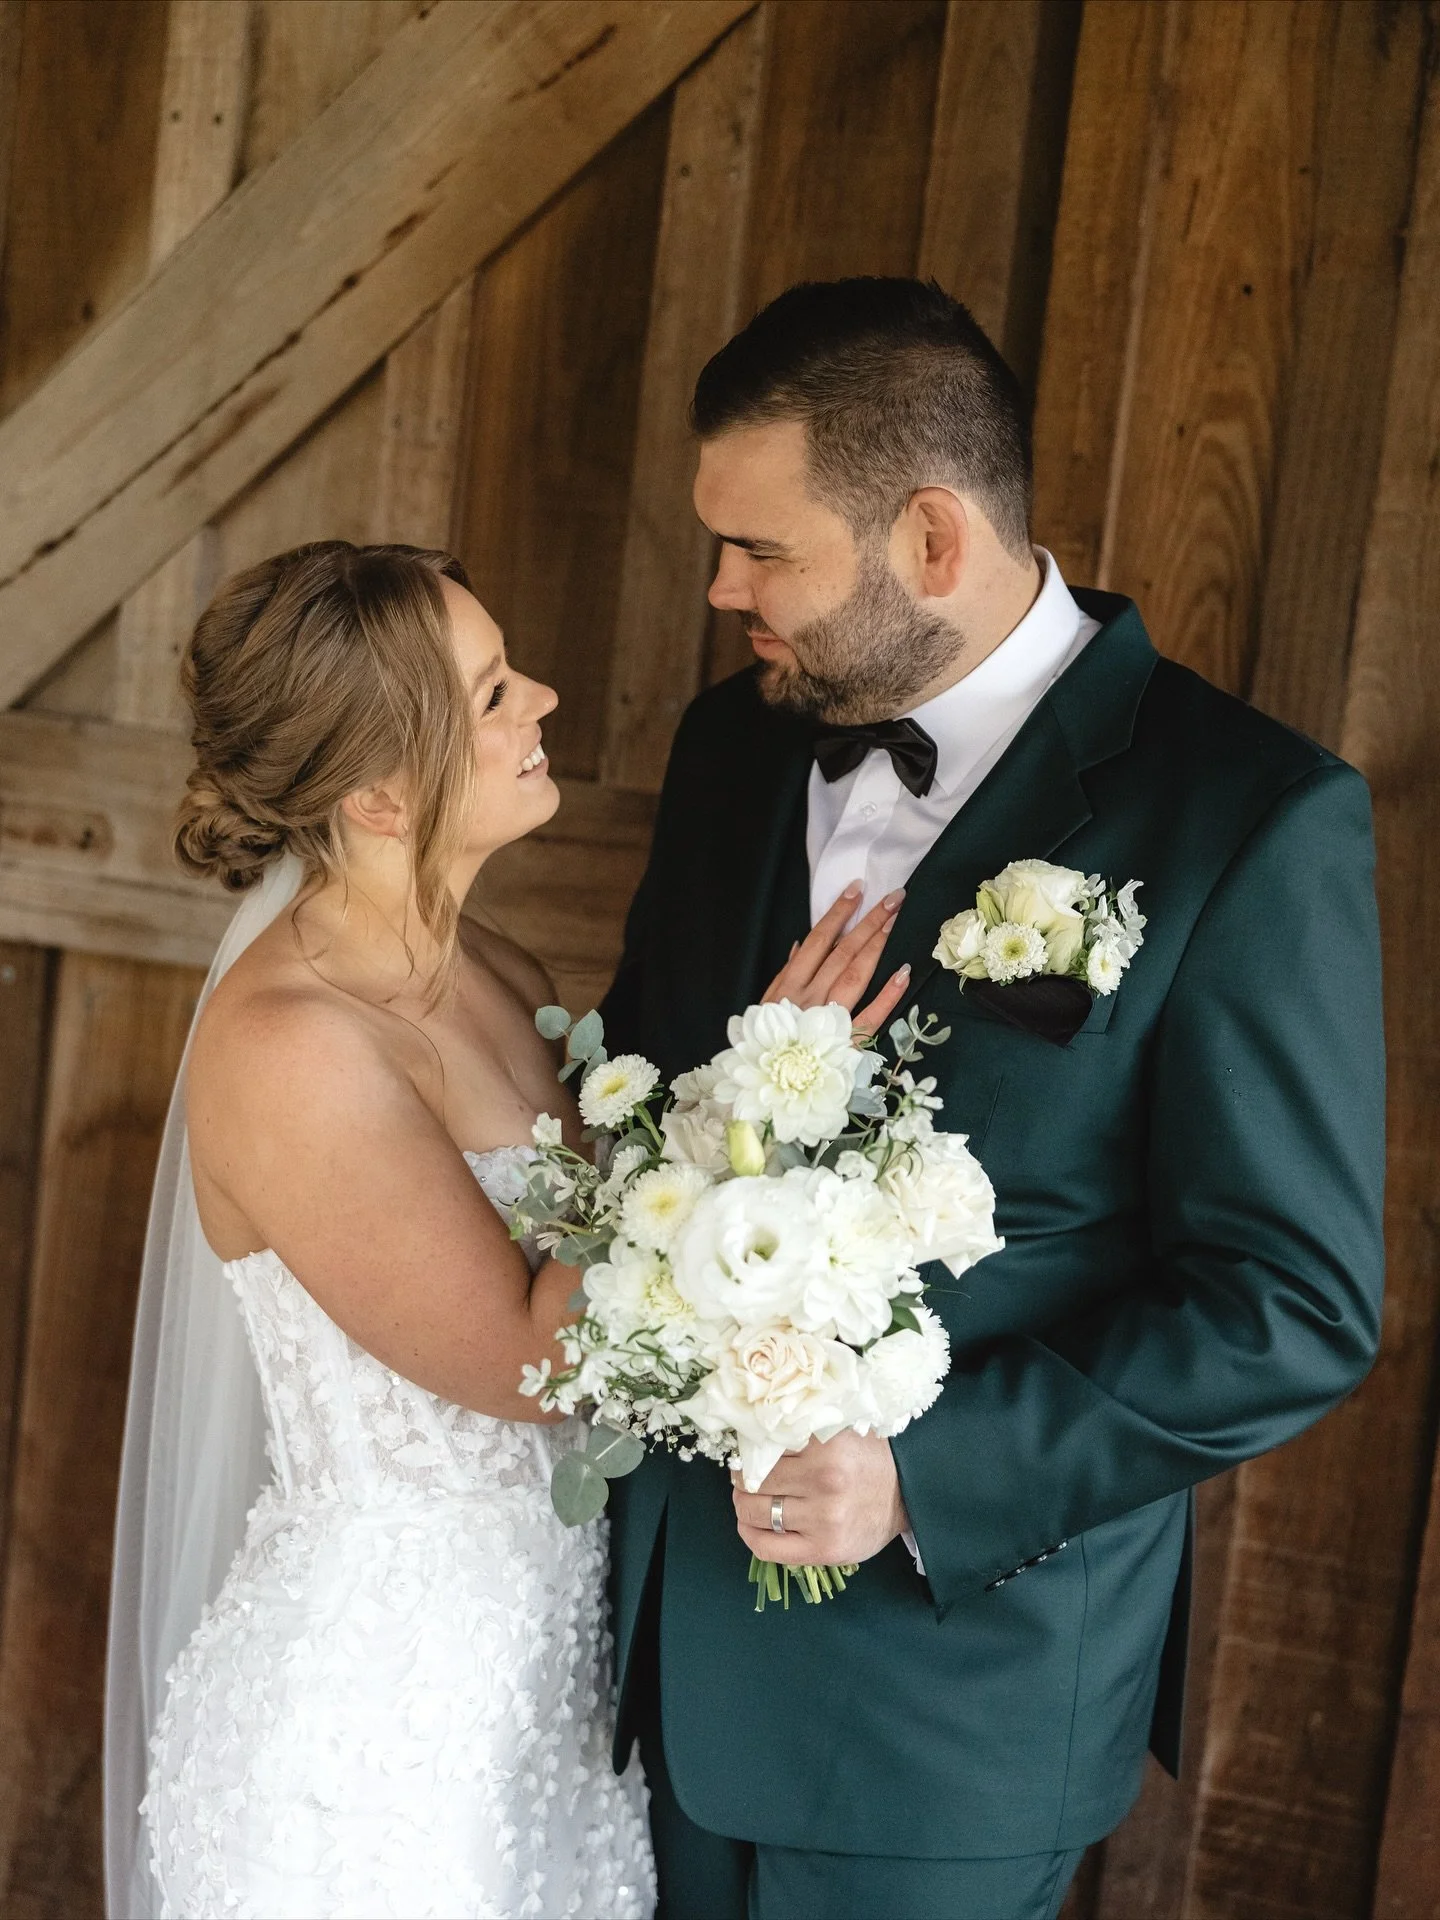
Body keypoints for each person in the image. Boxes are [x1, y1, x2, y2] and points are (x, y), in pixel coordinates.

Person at [599, 278, 1387, 1920]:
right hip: (662, 1661)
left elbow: (1290, 1305)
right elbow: (641, 1112)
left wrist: (920, 1476)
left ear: (933, 539)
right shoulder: (730, 751)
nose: (723, 591)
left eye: (765, 553)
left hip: (946, 1711)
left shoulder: (1247, 817)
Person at [105, 539, 905, 1920]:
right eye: (488, 694)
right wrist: (755, 1100)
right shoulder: (296, 1050)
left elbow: (620, 1264)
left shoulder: (497, 969)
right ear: (374, 789)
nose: (539, 697)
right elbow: (541, 1365)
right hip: (371, 1734)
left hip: (538, 1693)